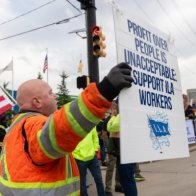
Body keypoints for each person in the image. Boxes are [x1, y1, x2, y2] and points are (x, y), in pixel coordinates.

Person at [0, 63, 134, 196]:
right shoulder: (31, 124)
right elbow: (58, 130)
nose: (55, 96)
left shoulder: (17, 128)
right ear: (37, 102)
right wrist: (105, 90)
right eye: (50, 93)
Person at [107, 113, 137, 196]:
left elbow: (111, 127)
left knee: (127, 180)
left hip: (125, 152)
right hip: (124, 150)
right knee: (126, 180)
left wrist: (113, 116)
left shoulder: (122, 115)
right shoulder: (128, 114)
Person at [73, 127, 105, 196]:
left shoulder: (90, 123)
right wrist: (74, 153)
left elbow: (95, 137)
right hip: (79, 158)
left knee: (98, 179)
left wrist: (95, 150)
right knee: (82, 183)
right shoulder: (73, 123)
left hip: (92, 157)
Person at [104, 101, 123, 196]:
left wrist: (113, 125)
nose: (113, 110)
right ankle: (107, 188)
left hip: (119, 142)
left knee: (119, 166)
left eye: (115, 109)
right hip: (112, 142)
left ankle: (118, 185)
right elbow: (110, 128)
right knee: (111, 166)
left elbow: (115, 126)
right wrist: (113, 122)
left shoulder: (120, 117)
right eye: (112, 109)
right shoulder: (109, 118)